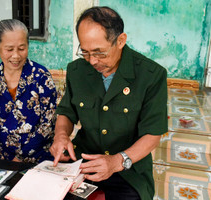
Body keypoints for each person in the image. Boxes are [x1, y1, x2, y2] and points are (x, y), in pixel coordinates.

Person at [50, 6, 168, 200]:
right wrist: (61, 136)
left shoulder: (151, 75)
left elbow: (153, 134)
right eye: (85, 52)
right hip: (82, 161)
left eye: (99, 52)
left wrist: (116, 162)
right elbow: (66, 112)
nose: (92, 61)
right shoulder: (77, 70)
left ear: (120, 41)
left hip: (128, 169)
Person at [0, 19, 57, 163]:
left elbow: (48, 125)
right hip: (3, 157)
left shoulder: (41, 77)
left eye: (21, 48)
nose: (16, 56)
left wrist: (19, 159)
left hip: (38, 157)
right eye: (9, 49)